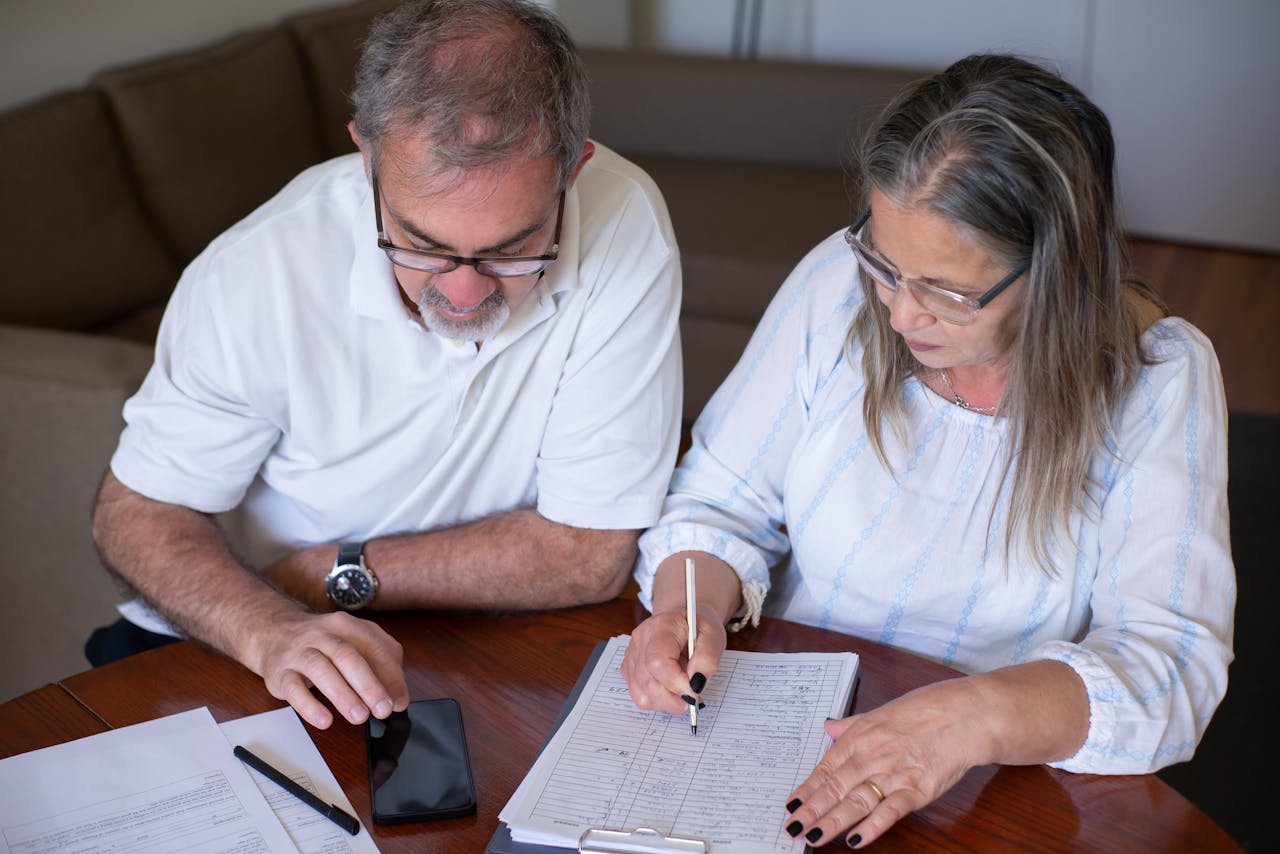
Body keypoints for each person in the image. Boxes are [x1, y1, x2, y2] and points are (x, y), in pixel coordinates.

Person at [621, 53, 1233, 848]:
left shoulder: (1158, 377)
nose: (902, 313)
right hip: (785, 730)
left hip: (994, 782)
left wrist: (963, 720)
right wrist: (682, 610)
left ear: (1054, 268)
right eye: (884, 264)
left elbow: (1172, 664)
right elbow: (718, 502)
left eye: (945, 290)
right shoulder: (838, 288)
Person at [90, 0, 681, 731]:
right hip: (260, 635)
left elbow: (590, 552)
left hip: (460, 626)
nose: (463, 292)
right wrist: (268, 624)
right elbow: (138, 513)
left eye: (512, 247)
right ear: (366, 159)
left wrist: (329, 573)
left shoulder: (625, 220)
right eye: (421, 243)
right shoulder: (257, 273)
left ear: (574, 170)